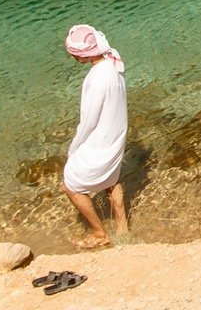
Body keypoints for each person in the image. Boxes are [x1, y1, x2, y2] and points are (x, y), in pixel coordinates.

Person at [62, 24, 129, 249]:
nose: (72, 56)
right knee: (112, 180)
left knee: (70, 186)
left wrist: (73, 149)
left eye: (74, 53)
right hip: (116, 134)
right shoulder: (113, 61)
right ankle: (123, 229)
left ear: (82, 55)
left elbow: (88, 121)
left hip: (101, 140)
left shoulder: (97, 79)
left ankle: (101, 235)